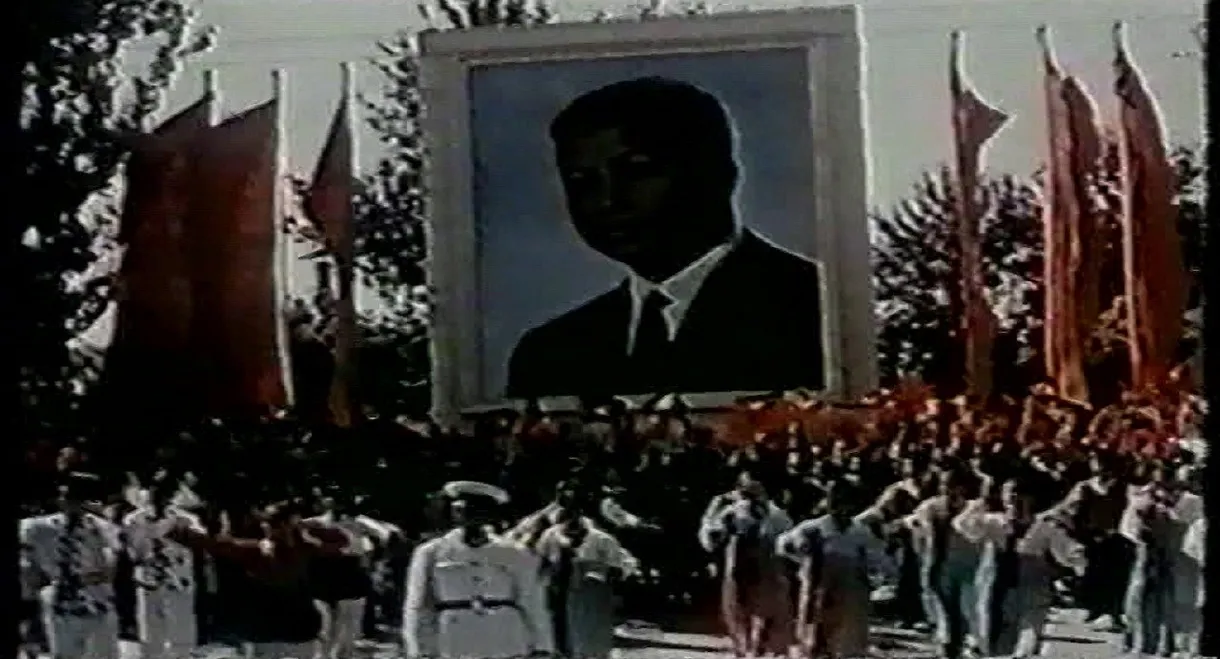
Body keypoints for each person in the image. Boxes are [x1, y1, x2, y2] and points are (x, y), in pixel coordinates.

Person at [506, 76, 825, 398]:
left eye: (637, 171)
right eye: (582, 182)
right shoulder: (549, 353)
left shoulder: (815, 310)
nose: (607, 201)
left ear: (720, 173)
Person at [169, 500, 354, 659]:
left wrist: (178, 532)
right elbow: (343, 542)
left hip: (271, 631)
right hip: (295, 630)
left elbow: (215, 545)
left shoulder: (261, 551)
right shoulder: (303, 549)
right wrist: (309, 529)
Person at [403, 480, 554, 659]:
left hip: (504, 640)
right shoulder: (431, 553)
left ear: (490, 514)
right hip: (454, 642)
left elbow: (532, 600)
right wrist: (419, 649)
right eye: (459, 508)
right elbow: (418, 605)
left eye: (475, 509)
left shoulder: (514, 553)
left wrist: (542, 645)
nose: (466, 514)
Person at [953, 475, 1086, 658]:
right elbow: (963, 526)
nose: (1014, 500)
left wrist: (1079, 562)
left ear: (1030, 499)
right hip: (998, 591)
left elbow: (1066, 550)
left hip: (1032, 591)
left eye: (1019, 495)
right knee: (996, 643)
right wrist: (979, 504)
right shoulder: (994, 523)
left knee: (1026, 644)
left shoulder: (1044, 526)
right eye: (1009, 495)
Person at [776, 479, 893, 659]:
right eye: (835, 501)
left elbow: (878, 561)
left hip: (850, 593)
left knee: (847, 642)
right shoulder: (813, 528)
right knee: (815, 640)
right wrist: (803, 560)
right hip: (819, 591)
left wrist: (880, 579)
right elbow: (784, 546)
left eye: (845, 501)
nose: (840, 507)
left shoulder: (860, 531)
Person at [20, 472, 123, 659]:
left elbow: (110, 569)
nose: (69, 501)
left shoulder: (103, 529)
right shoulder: (38, 528)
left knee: (104, 655)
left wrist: (78, 579)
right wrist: (29, 614)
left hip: (97, 602)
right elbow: (29, 570)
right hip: (59, 604)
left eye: (77, 498)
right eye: (66, 495)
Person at [699, 470, 795, 658]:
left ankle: (756, 647)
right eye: (747, 490)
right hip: (739, 567)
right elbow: (711, 539)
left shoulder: (777, 516)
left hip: (767, 568)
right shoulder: (732, 513)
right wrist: (713, 513)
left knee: (764, 612)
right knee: (737, 611)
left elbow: (788, 542)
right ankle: (743, 649)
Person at [534, 489, 639, 659]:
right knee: (559, 640)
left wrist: (598, 575)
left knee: (590, 642)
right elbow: (540, 563)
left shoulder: (602, 540)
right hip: (558, 594)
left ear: (581, 513)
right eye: (565, 509)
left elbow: (620, 567)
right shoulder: (550, 535)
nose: (569, 515)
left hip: (589, 599)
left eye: (573, 510)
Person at [306, 494, 400, 659]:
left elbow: (389, 535)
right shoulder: (313, 523)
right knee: (324, 624)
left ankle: (341, 654)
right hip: (323, 570)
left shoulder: (360, 522)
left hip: (349, 569)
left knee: (348, 626)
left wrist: (375, 560)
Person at [123, 474, 206, 659]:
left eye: (167, 492)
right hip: (148, 584)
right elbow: (134, 554)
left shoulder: (187, 519)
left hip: (179, 584)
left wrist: (181, 530)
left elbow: (201, 542)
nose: (161, 496)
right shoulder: (134, 520)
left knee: (181, 640)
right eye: (157, 490)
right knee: (150, 641)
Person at [901, 468, 982, 659]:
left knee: (962, 615)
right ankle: (948, 649)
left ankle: (956, 647)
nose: (947, 489)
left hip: (966, 569)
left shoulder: (973, 509)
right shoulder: (930, 507)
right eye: (944, 484)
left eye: (952, 485)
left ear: (963, 488)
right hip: (936, 567)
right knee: (943, 615)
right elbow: (913, 524)